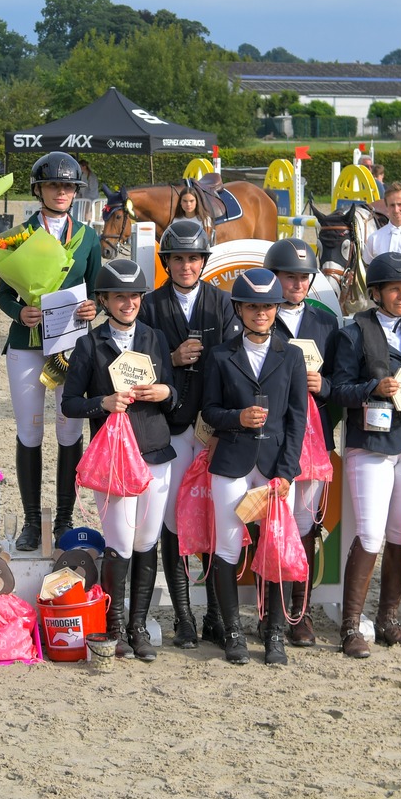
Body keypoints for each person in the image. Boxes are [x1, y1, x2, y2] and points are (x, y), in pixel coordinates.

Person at [61, 257, 178, 661]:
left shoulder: (155, 338)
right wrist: (104, 402)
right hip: (114, 458)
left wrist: (165, 393)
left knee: (147, 541)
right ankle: (113, 627)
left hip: (155, 451)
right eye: (119, 296)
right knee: (119, 543)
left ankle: (138, 626)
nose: (128, 303)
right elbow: (71, 404)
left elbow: (174, 394)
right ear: (105, 300)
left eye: (134, 296)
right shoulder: (88, 345)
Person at [326, 251, 401, 658]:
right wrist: (371, 389)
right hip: (371, 444)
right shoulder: (354, 333)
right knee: (370, 534)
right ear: (376, 292)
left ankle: (389, 618)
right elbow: (337, 390)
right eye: (395, 288)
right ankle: (351, 625)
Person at [138, 219, 241, 647]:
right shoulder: (149, 305)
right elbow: (140, 363)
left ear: (203, 261)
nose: (185, 265)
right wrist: (171, 358)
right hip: (171, 425)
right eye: (178, 258)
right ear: (167, 262)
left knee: (215, 519)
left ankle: (216, 613)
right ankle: (183, 614)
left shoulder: (223, 303)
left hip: (213, 428)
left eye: (193, 258)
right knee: (173, 520)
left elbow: (235, 361)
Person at [198, 268, 309, 666]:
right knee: (228, 544)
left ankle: (274, 631)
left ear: (276, 309)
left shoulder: (292, 356)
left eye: (266, 306)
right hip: (231, 460)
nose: (260, 313)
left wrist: (287, 470)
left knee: (274, 548)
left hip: (275, 463)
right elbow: (209, 409)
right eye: (252, 306)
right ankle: (233, 632)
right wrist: (236, 418)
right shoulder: (221, 355)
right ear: (240, 309)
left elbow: (298, 419)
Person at [0, 151, 102, 551]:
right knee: (29, 431)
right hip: (27, 343)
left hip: (71, 344)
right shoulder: (17, 236)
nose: (62, 192)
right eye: (55, 185)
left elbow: (95, 290)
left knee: (68, 430)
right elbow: (4, 295)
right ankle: (29, 521)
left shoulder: (89, 237)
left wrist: (94, 307)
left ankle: (63, 519)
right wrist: (19, 311)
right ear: (39, 189)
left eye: (69, 186)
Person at [265, 238, 342, 647]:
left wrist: (324, 385)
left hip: (313, 438)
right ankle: (269, 609)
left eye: (303, 277)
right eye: (289, 276)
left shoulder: (326, 323)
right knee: (269, 524)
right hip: (272, 436)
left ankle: (300, 610)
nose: (297, 283)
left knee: (304, 527)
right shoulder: (258, 316)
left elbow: (342, 382)